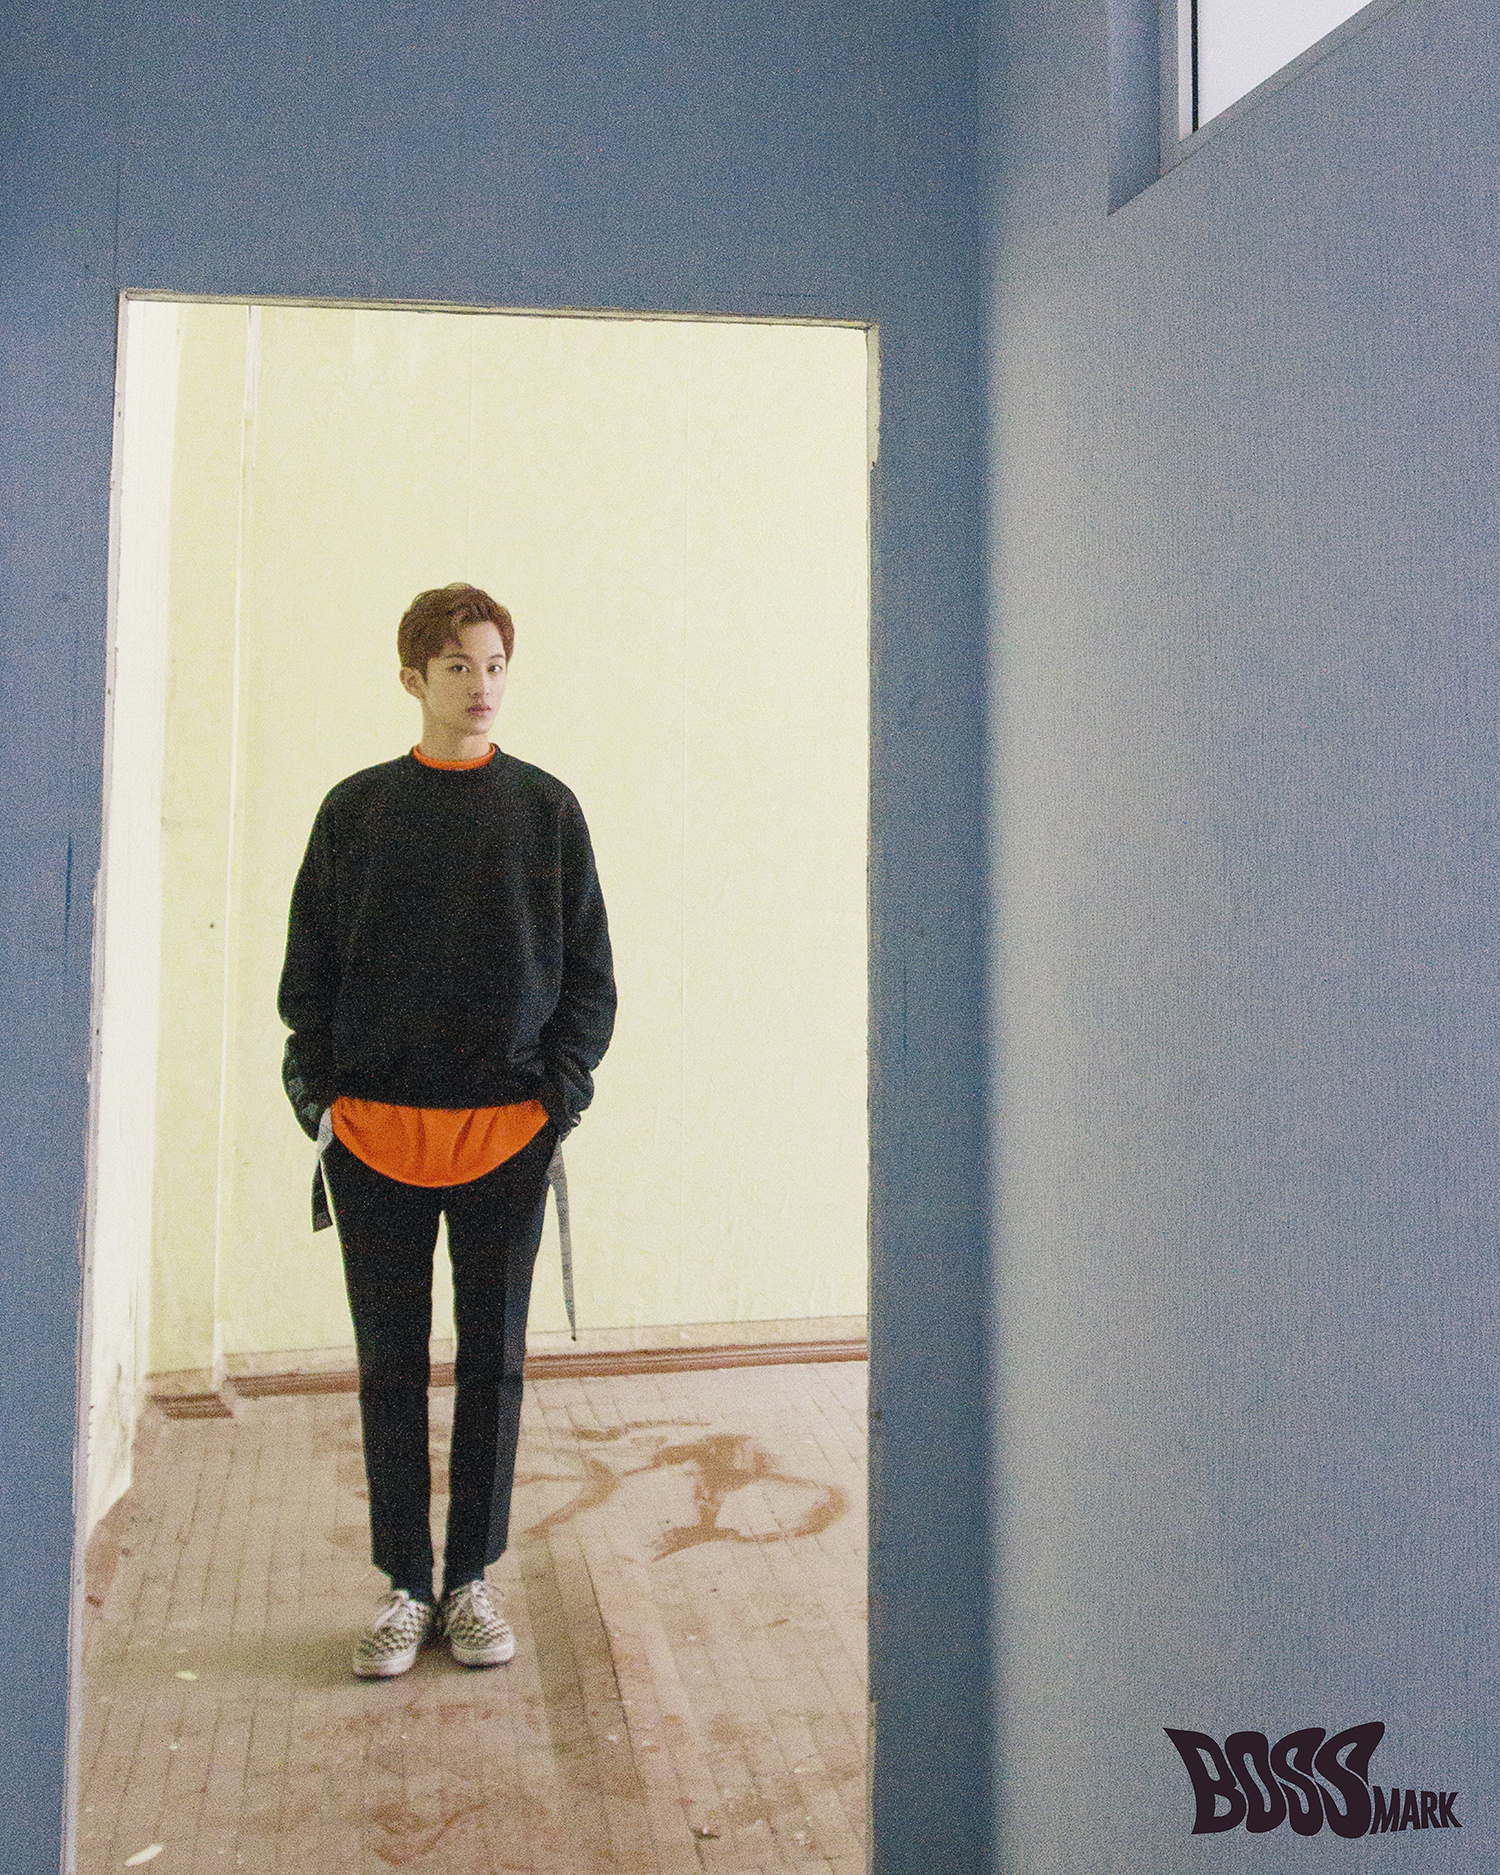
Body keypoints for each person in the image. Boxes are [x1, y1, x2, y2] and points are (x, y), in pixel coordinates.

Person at [277, 582, 616, 1678]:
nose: (481, 686)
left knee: (493, 1365)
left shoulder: (547, 810)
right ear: (413, 677)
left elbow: (591, 981)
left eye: (495, 665)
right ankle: (404, 1585)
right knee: (389, 1367)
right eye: (459, 666)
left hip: (507, 1139)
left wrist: (554, 1101)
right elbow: (306, 979)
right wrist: (323, 1105)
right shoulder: (356, 811)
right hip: (375, 1140)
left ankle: (469, 1580)